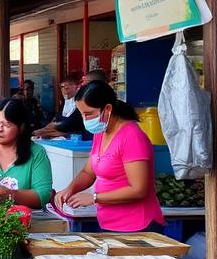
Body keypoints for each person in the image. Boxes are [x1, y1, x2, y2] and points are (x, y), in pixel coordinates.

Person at [54, 81, 165, 232]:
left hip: (138, 226)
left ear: (107, 109)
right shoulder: (101, 133)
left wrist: (94, 198)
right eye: (81, 114)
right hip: (109, 224)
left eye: (88, 114)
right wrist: (70, 189)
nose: (85, 119)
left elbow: (139, 189)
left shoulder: (132, 137)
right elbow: (88, 171)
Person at [34, 69, 108, 140]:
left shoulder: (102, 104)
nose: (83, 87)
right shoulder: (78, 102)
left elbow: (70, 124)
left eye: (85, 84)